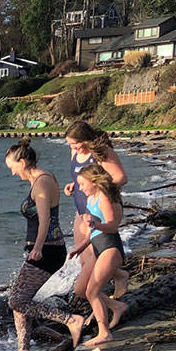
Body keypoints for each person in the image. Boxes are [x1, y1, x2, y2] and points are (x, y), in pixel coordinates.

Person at [1, 139, 85, 351]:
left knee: (17, 300)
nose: (12, 173)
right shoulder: (41, 180)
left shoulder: (41, 183)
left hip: (48, 250)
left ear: (23, 161)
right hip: (45, 249)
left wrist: (37, 247)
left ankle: (71, 320)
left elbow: (45, 219)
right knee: (20, 298)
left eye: (12, 167)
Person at [64, 120, 128, 300]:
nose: (74, 148)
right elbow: (82, 177)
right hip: (82, 209)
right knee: (84, 256)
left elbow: (121, 177)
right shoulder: (75, 153)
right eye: (70, 145)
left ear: (85, 139)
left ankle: (90, 292)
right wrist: (74, 186)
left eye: (76, 144)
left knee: (94, 252)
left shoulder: (101, 152)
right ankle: (115, 277)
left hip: (101, 209)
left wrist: (99, 189)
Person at [68, 165, 129, 348]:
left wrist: (95, 224)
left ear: (94, 182)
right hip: (96, 246)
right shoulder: (90, 199)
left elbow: (112, 226)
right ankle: (116, 306)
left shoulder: (103, 198)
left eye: (83, 183)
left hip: (110, 247)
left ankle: (104, 333)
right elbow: (90, 233)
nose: (80, 187)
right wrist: (81, 247)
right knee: (80, 290)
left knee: (92, 291)